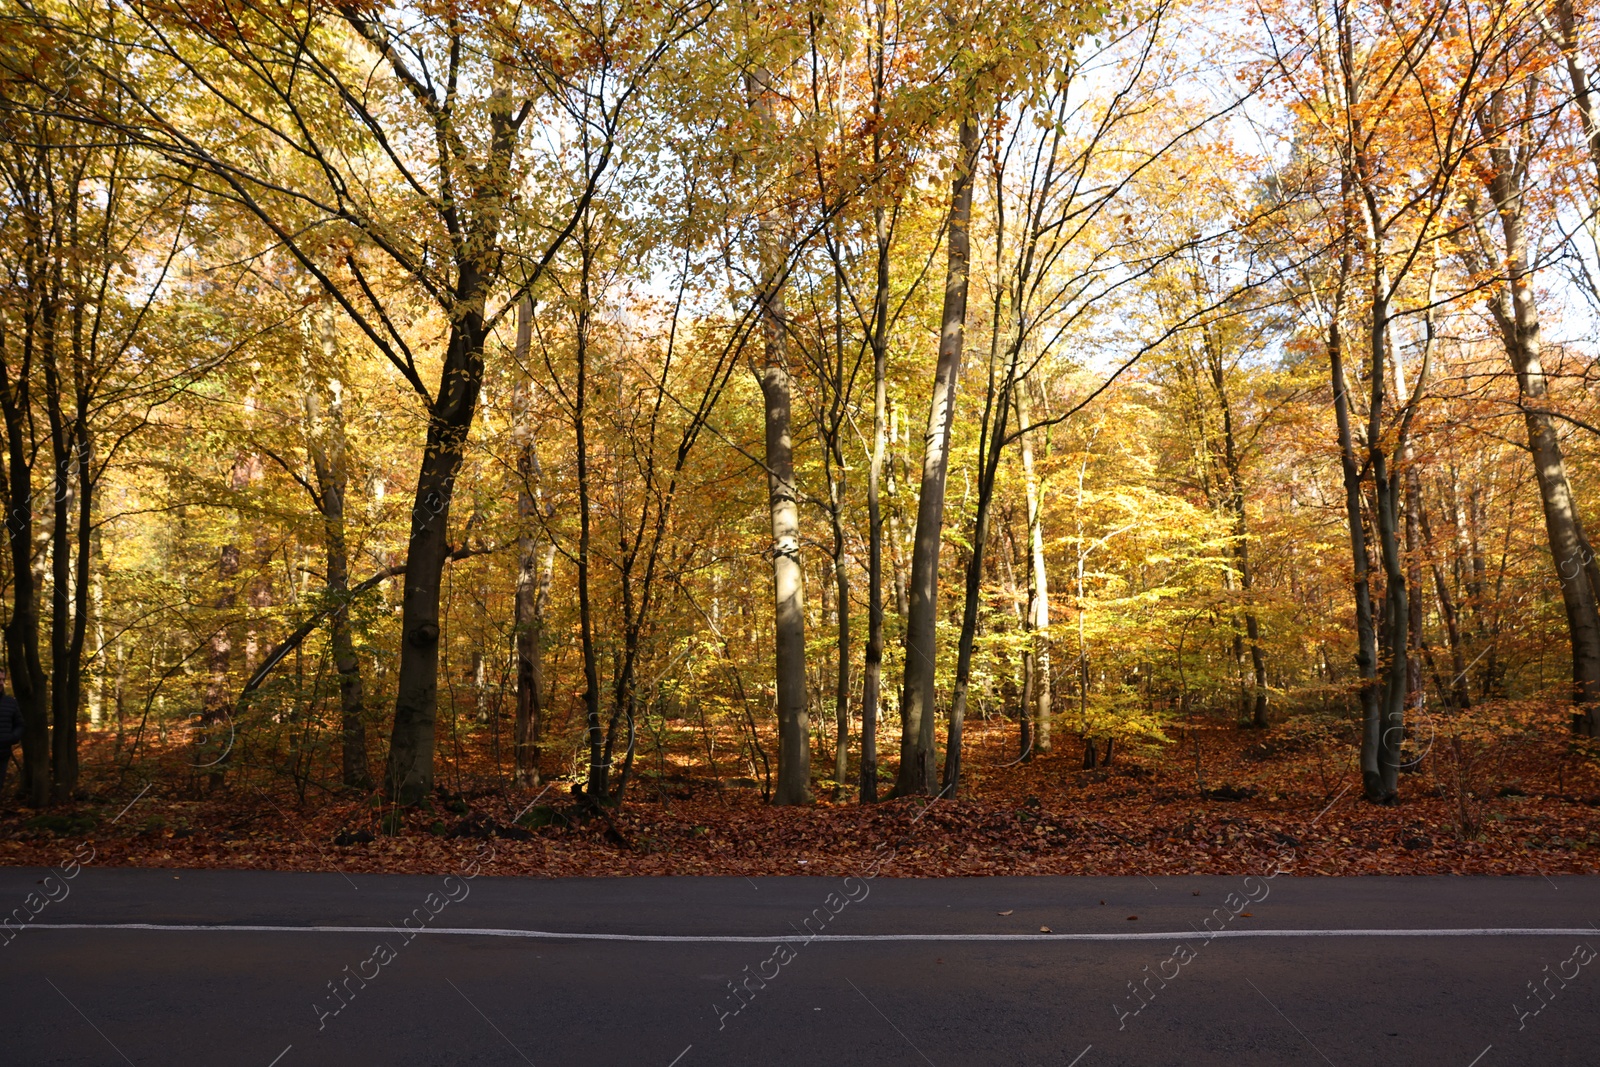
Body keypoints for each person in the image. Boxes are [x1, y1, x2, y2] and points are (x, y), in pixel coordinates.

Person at [0, 674, 21, 796]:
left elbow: (20, 724)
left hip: (2, 754)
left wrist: (12, 737)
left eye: (3, 680)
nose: (1, 683)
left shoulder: (10, 703)